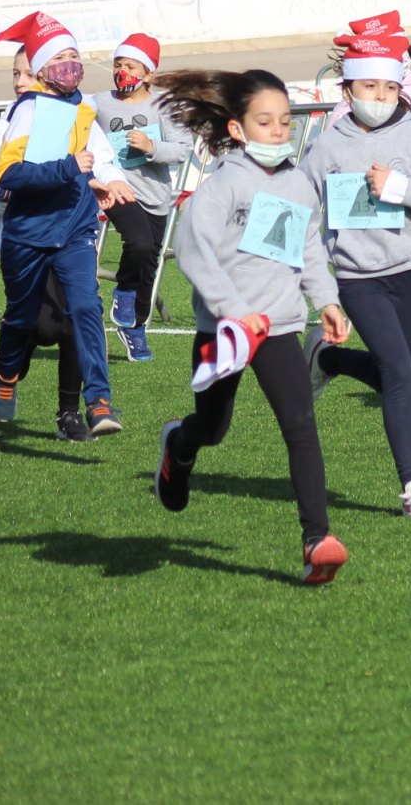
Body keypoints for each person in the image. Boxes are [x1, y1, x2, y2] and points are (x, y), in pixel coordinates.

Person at [152, 69, 353, 586]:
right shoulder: (222, 185)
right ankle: (180, 445)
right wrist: (233, 311)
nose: (278, 130)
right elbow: (194, 255)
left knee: (301, 428)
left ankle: (317, 542)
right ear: (238, 129)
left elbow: (307, 250)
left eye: (284, 121)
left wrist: (325, 299)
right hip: (225, 330)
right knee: (213, 428)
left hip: (280, 327)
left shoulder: (296, 183)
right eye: (265, 122)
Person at [301, 31, 411, 518]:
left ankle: (327, 361)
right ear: (347, 92)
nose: (380, 99)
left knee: (398, 371)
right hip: (357, 278)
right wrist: (321, 291)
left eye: (389, 89)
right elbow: (304, 217)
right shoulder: (326, 147)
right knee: (396, 369)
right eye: (370, 89)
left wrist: (400, 187)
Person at [0, 12, 136, 436]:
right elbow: (7, 175)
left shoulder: (82, 107)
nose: (71, 65)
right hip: (28, 234)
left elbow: (98, 156)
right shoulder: (29, 110)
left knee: (86, 307)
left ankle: (99, 403)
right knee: (24, 320)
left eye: (75, 56)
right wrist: (70, 168)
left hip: (74, 229)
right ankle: (7, 375)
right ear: (44, 69)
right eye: (61, 58)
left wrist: (106, 181)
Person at [0, 50, 86, 435]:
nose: (21, 81)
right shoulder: (4, 126)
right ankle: (8, 365)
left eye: (30, 74)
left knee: (73, 320)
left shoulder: (76, 119)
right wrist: (7, 196)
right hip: (23, 243)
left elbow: (97, 161)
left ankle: (69, 414)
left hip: (68, 237)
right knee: (43, 329)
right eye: (16, 73)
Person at [327, 11, 411, 366]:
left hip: (407, 194)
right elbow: (329, 159)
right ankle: (335, 355)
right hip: (363, 206)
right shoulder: (347, 106)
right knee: (370, 271)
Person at [91, 33, 190, 363]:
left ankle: (135, 326)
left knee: (149, 265)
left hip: (155, 194)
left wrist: (151, 148)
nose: (123, 72)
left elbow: (181, 149)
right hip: (119, 189)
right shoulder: (97, 102)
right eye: (118, 65)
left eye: (131, 66)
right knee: (139, 242)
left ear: (148, 73)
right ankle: (123, 292)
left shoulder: (165, 104)